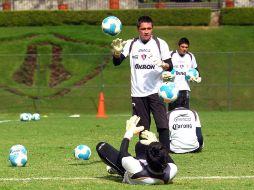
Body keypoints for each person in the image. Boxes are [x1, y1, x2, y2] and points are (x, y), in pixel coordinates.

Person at [111, 15, 173, 150]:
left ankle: (165, 154)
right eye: (143, 28)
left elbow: (170, 65)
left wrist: (163, 64)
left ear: (152, 29)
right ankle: (145, 156)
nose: (146, 31)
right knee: (142, 127)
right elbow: (117, 62)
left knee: (162, 124)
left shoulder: (160, 43)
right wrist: (116, 53)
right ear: (138, 29)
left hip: (157, 91)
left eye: (149, 28)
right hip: (138, 93)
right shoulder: (131, 43)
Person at [96, 115, 178, 185]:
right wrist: (154, 141)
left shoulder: (135, 167)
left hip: (127, 170)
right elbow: (163, 153)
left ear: (147, 158)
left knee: (101, 147)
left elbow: (123, 153)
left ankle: (116, 169)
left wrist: (129, 132)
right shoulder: (171, 171)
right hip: (145, 166)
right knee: (142, 143)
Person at [168, 37, 202, 111]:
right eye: (182, 47)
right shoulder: (171, 55)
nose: (184, 49)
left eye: (186, 47)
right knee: (172, 113)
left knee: (185, 113)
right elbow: (165, 69)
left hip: (185, 88)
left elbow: (196, 70)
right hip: (173, 89)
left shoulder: (190, 56)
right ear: (178, 46)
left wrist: (198, 77)